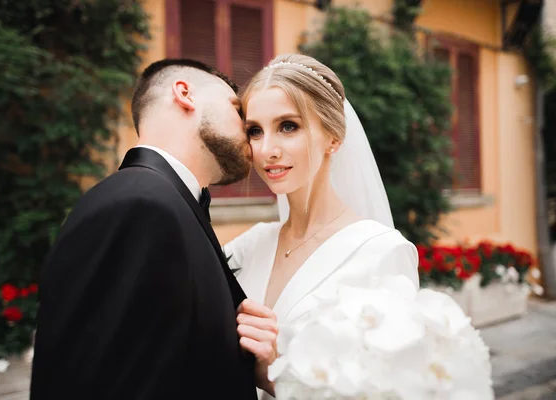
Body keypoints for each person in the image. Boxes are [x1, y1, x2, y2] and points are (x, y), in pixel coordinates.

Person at [30, 59, 277, 399]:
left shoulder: (165, 203)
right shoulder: (138, 206)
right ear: (184, 93)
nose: (249, 131)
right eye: (236, 110)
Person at [225, 54, 420, 399]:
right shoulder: (248, 246)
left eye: (288, 126)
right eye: (255, 131)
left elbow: (392, 391)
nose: (266, 149)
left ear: (333, 137)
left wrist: (276, 374)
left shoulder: (381, 253)